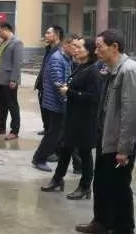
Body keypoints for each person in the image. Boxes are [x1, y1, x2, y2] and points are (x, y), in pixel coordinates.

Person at [75, 29, 136, 234]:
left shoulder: (129, 71)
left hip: (120, 142)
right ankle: (102, 222)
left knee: (119, 187)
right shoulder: (112, 70)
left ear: (115, 47)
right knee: (102, 182)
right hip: (107, 137)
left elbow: (132, 114)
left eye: (100, 46)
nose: (96, 51)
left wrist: (124, 148)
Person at [40, 37, 102, 199]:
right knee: (65, 149)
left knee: (84, 154)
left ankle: (85, 186)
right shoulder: (79, 66)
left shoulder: (93, 72)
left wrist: (69, 92)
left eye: (80, 47)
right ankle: (57, 179)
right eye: (75, 47)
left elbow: (93, 97)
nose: (76, 49)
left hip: (85, 120)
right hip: (72, 117)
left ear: (89, 51)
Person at [32, 34, 74, 172]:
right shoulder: (57, 59)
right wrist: (66, 101)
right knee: (53, 134)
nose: (76, 49)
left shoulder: (67, 58)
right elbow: (59, 84)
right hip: (55, 103)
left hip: (57, 102)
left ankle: (47, 156)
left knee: (56, 133)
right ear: (66, 44)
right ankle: (39, 159)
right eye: (74, 46)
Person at [0, 22, 24, 140]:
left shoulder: (17, 43)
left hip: (9, 80)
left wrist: (14, 79)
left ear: (6, 29)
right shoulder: (2, 43)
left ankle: (14, 130)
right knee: (1, 104)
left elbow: (17, 63)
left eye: (0, 31)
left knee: (12, 105)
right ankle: (1, 127)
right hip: (0, 78)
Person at [35, 26, 63, 135]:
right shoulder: (49, 49)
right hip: (43, 85)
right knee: (44, 110)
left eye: (48, 33)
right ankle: (47, 128)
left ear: (56, 35)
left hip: (52, 87)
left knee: (51, 111)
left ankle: (51, 132)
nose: (45, 35)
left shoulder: (59, 51)